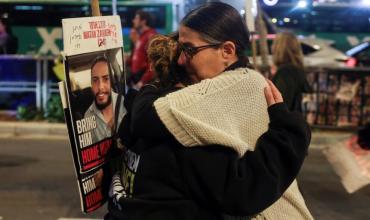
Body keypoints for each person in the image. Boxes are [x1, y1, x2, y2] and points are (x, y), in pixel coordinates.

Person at [106, 3, 311, 220]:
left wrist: (292, 132)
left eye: (189, 50)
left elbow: (145, 116)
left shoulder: (232, 85)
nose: (182, 59)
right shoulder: (227, 83)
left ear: (227, 51)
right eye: (180, 49)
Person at [84, 56, 126, 143]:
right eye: (95, 80)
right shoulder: (88, 115)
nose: (100, 87)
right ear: (91, 84)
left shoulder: (125, 103)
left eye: (106, 79)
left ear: (112, 81)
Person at [271, 31, 312, 112]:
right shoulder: (296, 69)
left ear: (278, 48)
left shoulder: (285, 73)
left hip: (284, 122)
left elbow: (281, 104)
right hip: (296, 120)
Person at [126, 10, 157, 89]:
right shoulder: (142, 36)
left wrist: (142, 82)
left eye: (136, 18)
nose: (133, 21)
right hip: (136, 78)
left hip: (143, 81)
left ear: (143, 21)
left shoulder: (151, 36)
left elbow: (153, 63)